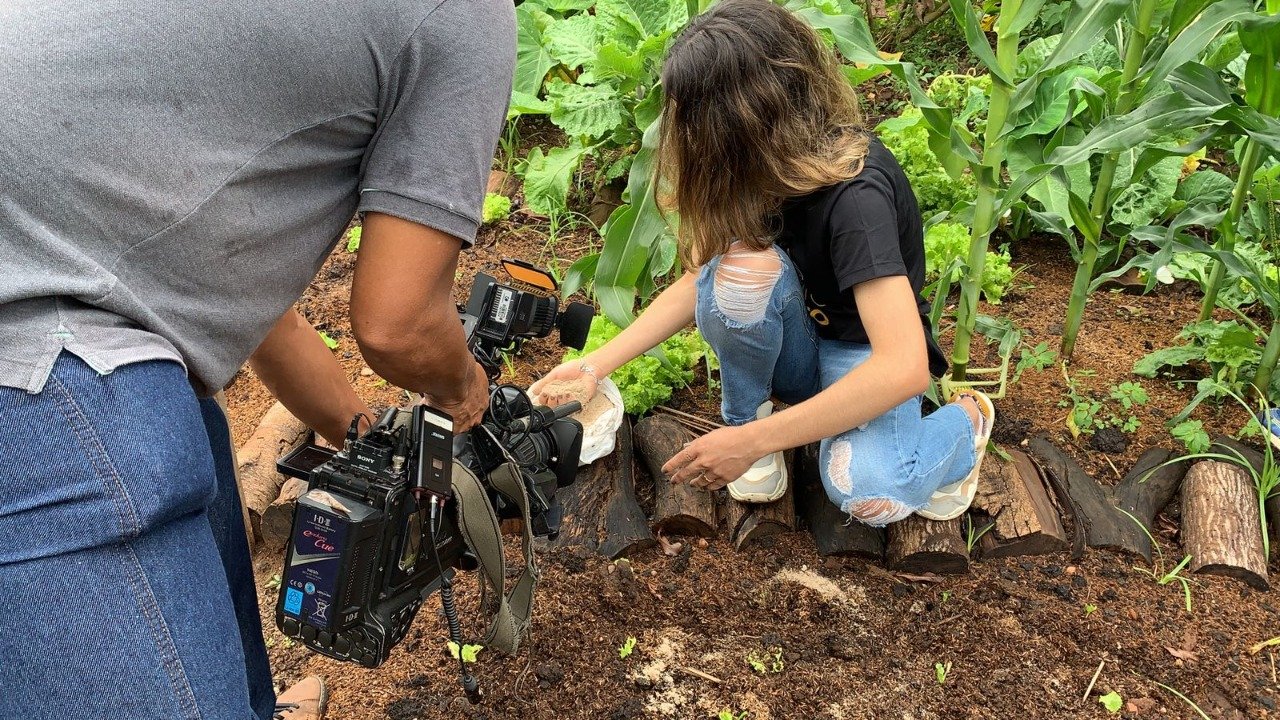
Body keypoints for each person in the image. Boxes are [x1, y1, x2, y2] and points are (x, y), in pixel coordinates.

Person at [0, 1, 513, 718]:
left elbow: (249, 309)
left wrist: (363, 438)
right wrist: (464, 390)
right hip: (36, 355)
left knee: (189, 430)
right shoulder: (464, 15)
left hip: (66, 279)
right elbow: (401, 327)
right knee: (130, 443)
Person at [533, 0, 994, 525]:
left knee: (872, 494)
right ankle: (753, 422)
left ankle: (965, 427)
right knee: (736, 275)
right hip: (801, 342)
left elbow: (904, 367)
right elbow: (699, 281)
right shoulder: (761, 173)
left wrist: (746, 443)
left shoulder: (855, 200)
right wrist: (595, 365)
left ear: (742, 120)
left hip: (861, 354)